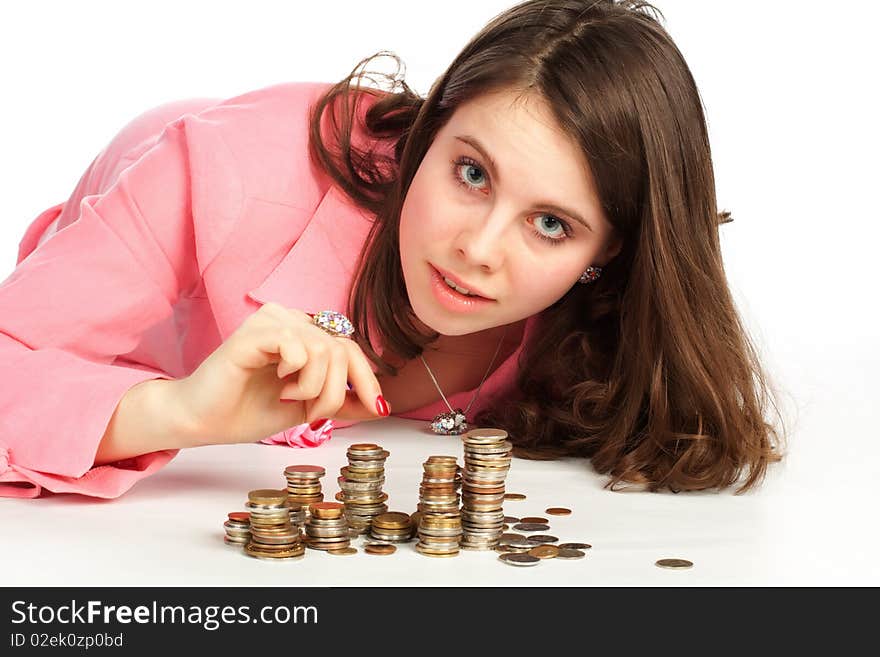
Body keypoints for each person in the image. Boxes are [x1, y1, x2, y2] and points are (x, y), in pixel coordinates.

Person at [0, 0, 786, 500]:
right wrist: (177, 411)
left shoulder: (594, 329)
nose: (476, 249)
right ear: (429, 131)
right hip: (152, 188)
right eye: (472, 172)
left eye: (550, 224)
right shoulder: (222, 173)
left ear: (610, 253)